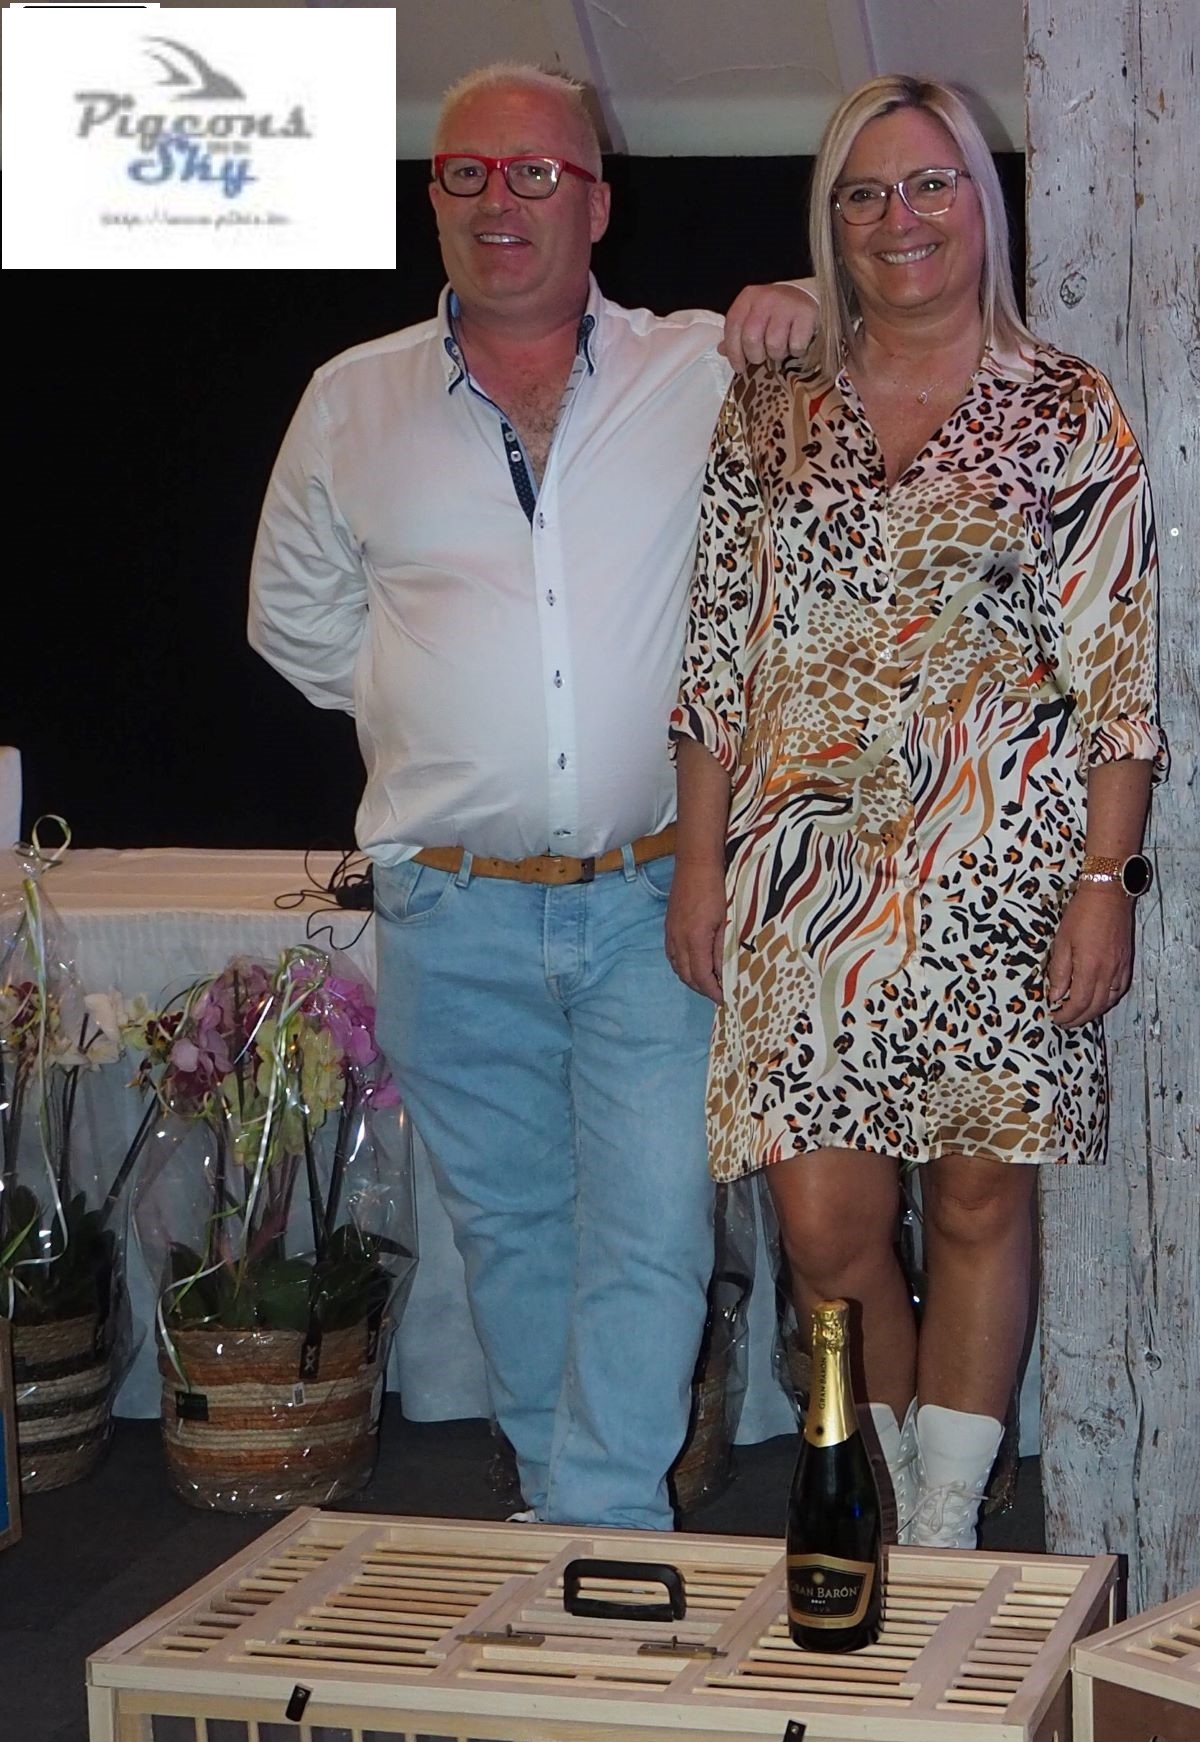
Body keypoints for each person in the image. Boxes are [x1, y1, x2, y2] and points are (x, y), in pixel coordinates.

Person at [247, 63, 818, 1531]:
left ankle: (594, 1531)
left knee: (655, 1232)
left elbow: (882, 333)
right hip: (452, 907)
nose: (500, 200)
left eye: (537, 172)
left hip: (653, 897)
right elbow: (296, 623)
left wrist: (806, 303)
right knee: (509, 1235)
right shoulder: (352, 401)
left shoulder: (700, 367)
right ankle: (584, 1538)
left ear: (599, 204)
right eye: (467, 172)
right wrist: (445, 707)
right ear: (434, 196)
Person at [667, 73, 1167, 1549]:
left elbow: (1116, 675)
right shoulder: (772, 406)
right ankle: (894, 1484)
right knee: (826, 1230)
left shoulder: (1065, 409)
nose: (903, 218)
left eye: (931, 183)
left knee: (975, 1202)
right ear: (832, 223)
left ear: (981, 205)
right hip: (798, 880)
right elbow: (714, 656)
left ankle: (937, 1531)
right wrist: (699, 863)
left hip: (1000, 873)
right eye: (866, 194)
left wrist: (1106, 879)